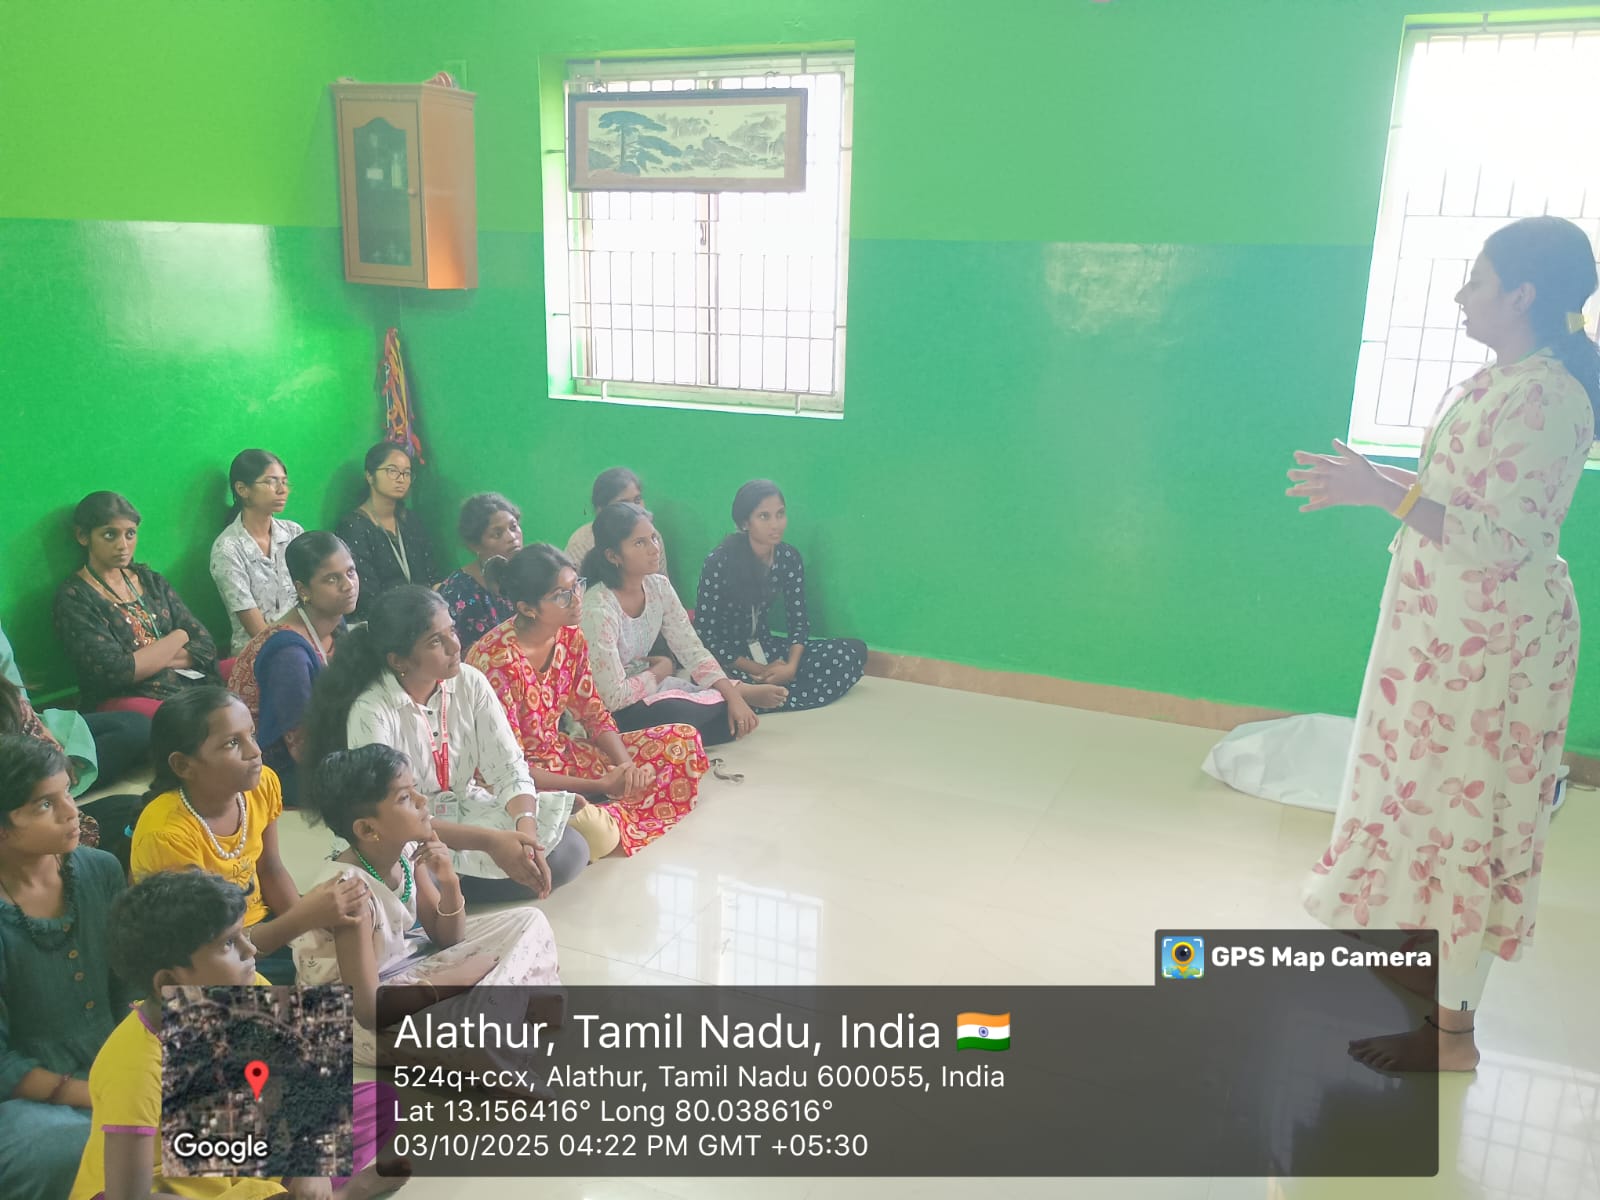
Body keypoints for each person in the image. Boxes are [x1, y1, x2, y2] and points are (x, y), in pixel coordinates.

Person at [1287, 215, 1598, 1073]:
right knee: (1424, 800)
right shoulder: (1498, 382)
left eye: (1478, 281)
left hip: (1494, 651)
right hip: (1446, 637)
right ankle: (1430, 976)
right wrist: (1373, 482)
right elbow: (1453, 496)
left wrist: (1380, 495)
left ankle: (1452, 1036)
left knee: (1470, 817)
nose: (1463, 295)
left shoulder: (1549, 399)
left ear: (1523, 295)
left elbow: (1502, 540)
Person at [67, 869, 405, 1200]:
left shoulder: (250, 989)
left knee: (376, 1102)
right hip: (172, 1189)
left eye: (243, 934)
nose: (250, 950)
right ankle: (343, 1193)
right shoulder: (136, 1067)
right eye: (229, 942)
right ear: (170, 981)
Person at [300, 585, 597, 902]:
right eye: (435, 641)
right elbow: (390, 816)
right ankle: (444, 890)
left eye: (452, 630)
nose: (455, 645)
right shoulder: (372, 710)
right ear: (399, 660)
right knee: (408, 876)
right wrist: (490, 843)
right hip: (406, 831)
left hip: (466, 812)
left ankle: (454, 890)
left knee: (572, 850)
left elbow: (509, 769)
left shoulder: (470, 682)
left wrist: (526, 839)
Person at [293, 745, 562, 1066]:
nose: (423, 801)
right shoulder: (351, 895)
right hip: (350, 1018)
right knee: (465, 1029)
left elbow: (447, 937)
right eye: (405, 797)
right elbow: (368, 1011)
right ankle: (495, 1016)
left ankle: (492, 1012)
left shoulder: (405, 851)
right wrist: (455, 978)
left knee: (529, 920)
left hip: (405, 967)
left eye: (416, 790)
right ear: (367, 829)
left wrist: (449, 881)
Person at [468, 545, 708, 857]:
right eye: (561, 595)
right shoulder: (496, 662)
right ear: (528, 608)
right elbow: (510, 769)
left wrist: (626, 767)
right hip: (519, 783)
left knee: (683, 739)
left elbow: (593, 713)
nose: (577, 599)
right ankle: (602, 810)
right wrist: (602, 785)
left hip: (562, 756)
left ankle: (608, 809)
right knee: (596, 833)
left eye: (576, 586)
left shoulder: (570, 635)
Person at [129, 687, 367, 984]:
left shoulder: (261, 785)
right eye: (232, 743)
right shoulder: (167, 836)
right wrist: (303, 918)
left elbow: (270, 868)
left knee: (361, 953)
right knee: (334, 1004)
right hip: (214, 961)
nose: (255, 751)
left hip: (262, 931)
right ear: (183, 765)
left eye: (251, 735)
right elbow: (209, 951)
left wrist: (310, 930)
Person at [0, 736, 130, 1200]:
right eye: (44, 804)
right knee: (84, 1148)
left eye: (68, 793)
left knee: (252, 1061)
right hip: (26, 1102)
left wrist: (138, 1071)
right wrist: (98, 1094)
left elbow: (128, 987)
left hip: (116, 1062)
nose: (72, 812)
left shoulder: (101, 870)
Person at [580, 503, 782, 747]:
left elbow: (692, 650)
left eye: (653, 538)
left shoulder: (659, 587)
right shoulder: (598, 609)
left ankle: (732, 694)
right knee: (678, 711)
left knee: (726, 720)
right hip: (610, 713)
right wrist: (660, 670)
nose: (654, 548)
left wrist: (732, 698)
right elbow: (611, 697)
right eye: (639, 543)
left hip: (649, 690)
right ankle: (726, 696)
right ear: (613, 556)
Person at [694, 480, 867, 711]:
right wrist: (760, 670)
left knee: (853, 651)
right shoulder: (719, 561)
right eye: (764, 516)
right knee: (709, 681)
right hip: (729, 658)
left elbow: (799, 622)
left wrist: (790, 667)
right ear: (745, 522)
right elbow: (705, 634)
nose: (775, 524)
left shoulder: (788, 558)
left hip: (767, 647)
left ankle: (765, 696)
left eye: (780, 514)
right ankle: (757, 694)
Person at [53, 492, 220, 715]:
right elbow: (116, 673)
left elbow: (206, 646)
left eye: (130, 534)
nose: (123, 545)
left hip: (183, 682)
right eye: (110, 535)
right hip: (128, 697)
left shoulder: (151, 581)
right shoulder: (75, 597)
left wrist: (147, 662)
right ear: (83, 536)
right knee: (194, 717)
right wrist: (179, 636)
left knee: (245, 675)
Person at [228, 532, 360, 808]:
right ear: (303, 590)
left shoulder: (334, 623)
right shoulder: (288, 653)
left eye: (350, 572)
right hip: (274, 766)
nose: (348, 585)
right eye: (331, 579)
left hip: (324, 744)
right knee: (372, 785)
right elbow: (301, 745)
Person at [1, 616, 148, 793]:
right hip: (10, 756)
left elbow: (14, 696)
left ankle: (54, 783)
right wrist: (46, 758)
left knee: (136, 726)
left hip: (22, 728)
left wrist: (43, 739)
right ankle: (49, 789)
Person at [209, 450, 306, 654]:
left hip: (304, 639)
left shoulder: (294, 533)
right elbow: (258, 631)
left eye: (284, 482)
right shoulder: (228, 548)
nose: (282, 490)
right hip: (258, 653)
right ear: (242, 489)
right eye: (271, 482)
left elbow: (313, 595)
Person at [337, 443, 442, 621]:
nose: (401, 479)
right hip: (384, 621)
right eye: (392, 471)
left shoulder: (411, 521)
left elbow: (432, 575)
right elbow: (367, 597)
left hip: (424, 613)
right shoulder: (354, 527)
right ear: (370, 476)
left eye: (407, 473)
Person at [438, 492, 523, 653]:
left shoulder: (530, 571)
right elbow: (465, 656)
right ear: (475, 545)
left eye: (513, 527)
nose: (512, 537)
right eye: (497, 534)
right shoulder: (461, 591)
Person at [564, 467, 668, 579]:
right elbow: (573, 587)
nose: (634, 508)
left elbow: (661, 583)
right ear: (601, 510)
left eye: (637, 500)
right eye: (624, 504)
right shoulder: (581, 543)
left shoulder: (652, 537)